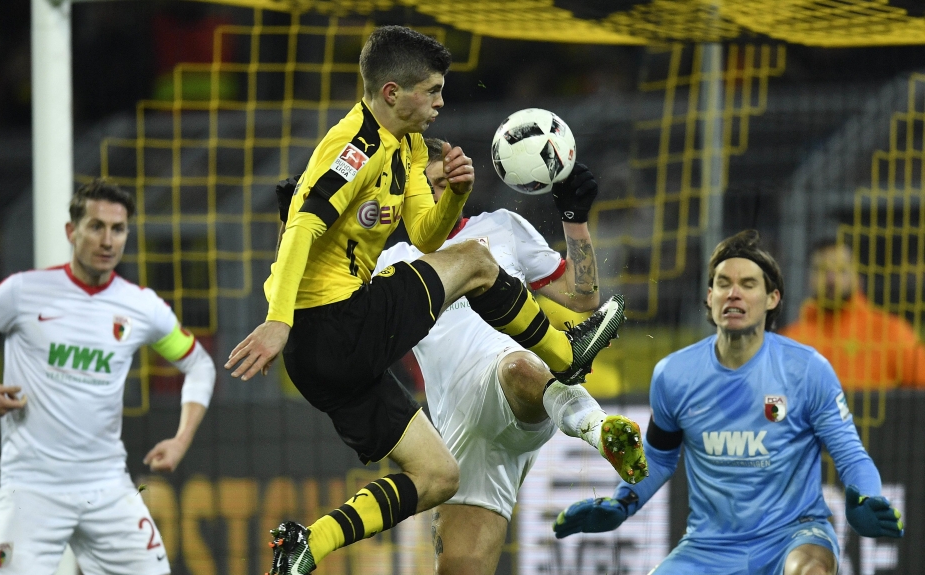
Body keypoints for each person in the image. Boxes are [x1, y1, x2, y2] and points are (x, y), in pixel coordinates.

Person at [224, 25, 625, 575]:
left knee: (437, 477)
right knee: (478, 261)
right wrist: (277, 320)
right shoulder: (355, 148)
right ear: (393, 93)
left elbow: (430, 235)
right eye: (432, 90)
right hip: (331, 323)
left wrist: (457, 192)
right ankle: (566, 355)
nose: (441, 102)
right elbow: (299, 229)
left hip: (338, 360)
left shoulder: (408, 151)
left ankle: (307, 544)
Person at [552, 230, 904, 575]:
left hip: (795, 536)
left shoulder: (807, 369)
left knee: (809, 571)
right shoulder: (674, 375)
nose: (733, 293)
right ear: (709, 297)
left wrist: (866, 498)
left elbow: (851, 454)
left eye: (748, 284)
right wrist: (622, 502)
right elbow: (659, 458)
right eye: (723, 283)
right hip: (708, 545)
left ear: (773, 299)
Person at [373, 137, 647, 575]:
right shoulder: (390, 264)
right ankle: (570, 368)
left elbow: (584, 298)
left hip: (518, 389)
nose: (442, 193)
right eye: (430, 186)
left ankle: (601, 429)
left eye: (450, 182)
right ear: (405, 194)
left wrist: (575, 219)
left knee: (517, 363)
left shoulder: (503, 227)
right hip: (460, 432)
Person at [0, 179, 216, 575]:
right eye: (96, 226)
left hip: (106, 487)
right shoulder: (22, 292)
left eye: (118, 229)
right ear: (72, 231)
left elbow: (199, 364)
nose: (107, 240)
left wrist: (181, 439)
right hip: (33, 488)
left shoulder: (141, 307)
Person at [780, 240, 925, 390]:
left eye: (841, 269)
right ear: (808, 279)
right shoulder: (790, 342)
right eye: (821, 270)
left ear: (858, 277)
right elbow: (772, 404)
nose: (831, 279)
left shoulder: (890, 332)